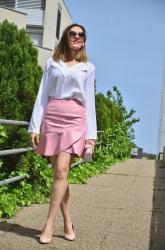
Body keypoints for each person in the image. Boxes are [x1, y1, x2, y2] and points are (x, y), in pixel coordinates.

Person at [28, 23, 97, 244]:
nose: (76, 37)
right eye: (72, 33)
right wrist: (34, 125)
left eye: (80, 35)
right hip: (52, 118)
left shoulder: (88, 67)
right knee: (61, 176)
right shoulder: (52, 63)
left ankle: (48, 224)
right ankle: (68, 222)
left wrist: (91, 135)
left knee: (60, 171)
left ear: (84, 40)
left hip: (75, 121)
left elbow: (90, 103)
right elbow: (42, 95)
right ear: (65, 37)